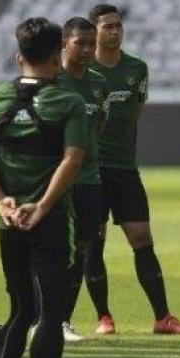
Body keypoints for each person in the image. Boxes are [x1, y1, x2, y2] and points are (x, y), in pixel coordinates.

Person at [0, 17, 86, 358]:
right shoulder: (68, 102)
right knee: (51, 312)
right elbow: (72, 159)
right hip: (50, 220)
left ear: (18, 56)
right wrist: (42, 205)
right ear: (57, 56)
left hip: (10, 222)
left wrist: (1, 200)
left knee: (20, 307)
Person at [88, 4, 180, 335]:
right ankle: (103, 316)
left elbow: (136, 110)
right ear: (95, 32)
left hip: (124, 167)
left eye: (118, 26)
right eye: (108, 26)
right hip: (91, 170)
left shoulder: (136, 68)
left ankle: (162, 317)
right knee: (94, 241)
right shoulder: (84, 71)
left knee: (141, 237)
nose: (115, 31)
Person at [55, 17, 110, 341]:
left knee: (84, 249)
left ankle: (62, 320)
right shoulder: (53, 81)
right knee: (55, 248)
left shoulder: (99, 84)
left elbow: (99, 125)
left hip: (89, 178)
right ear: (65, 42)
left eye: (92, 43)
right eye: (81, 43)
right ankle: (42, 317)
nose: (89, 49)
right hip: (58, 179)